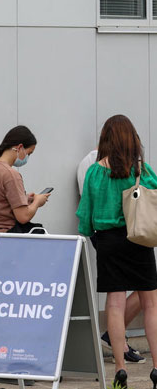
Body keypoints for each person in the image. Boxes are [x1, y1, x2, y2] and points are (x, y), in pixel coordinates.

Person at [77, 114, 157, 389]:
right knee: (151, 305)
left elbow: (84, 216)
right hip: (139, 239)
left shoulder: (95, 172)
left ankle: (120, 369)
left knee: (114, 303)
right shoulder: (141, 171)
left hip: (108, 241)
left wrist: (94, 237)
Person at [77, 148, 145, 364]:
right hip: (126, 233)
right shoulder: (127, 163)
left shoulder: (92, 165)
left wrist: (88, 231)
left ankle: (119, 361)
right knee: (144, 294)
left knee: (117, 297)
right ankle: (119, 342)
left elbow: (86, 202)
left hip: (106, 235)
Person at [0, 125, 50, 247]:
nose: (28, 157)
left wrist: (25, 199)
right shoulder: (10, 174)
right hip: (9, 242)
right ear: (20, 147)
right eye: (29, 153)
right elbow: (23, 216)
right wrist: (37, 202)